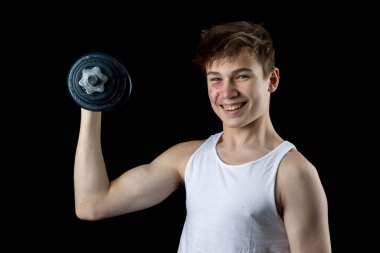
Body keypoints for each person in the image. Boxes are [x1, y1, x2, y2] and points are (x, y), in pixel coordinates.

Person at [73, 21, 331, 252]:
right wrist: (91, 104)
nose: (227, 92)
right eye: (216, 78)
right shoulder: (187, 158)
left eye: (241, 76)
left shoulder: (293, 172)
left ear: (271, 80)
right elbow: (93, 205)